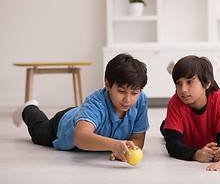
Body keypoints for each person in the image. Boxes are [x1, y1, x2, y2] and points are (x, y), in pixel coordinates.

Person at [12, 53, 149, 163]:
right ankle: (28, 107)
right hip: (64, 124)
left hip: (84, 115)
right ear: (107, 84)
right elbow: (80, 137)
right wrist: (114, 145)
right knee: (38, 131)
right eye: (121, 91)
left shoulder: (140, 100)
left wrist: (126, 151)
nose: (128, 99)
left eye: (134, 93)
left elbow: (137, 138)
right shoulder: (96, 104)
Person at [160, 55, 220, 162]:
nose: (183, 90)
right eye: (179, 83)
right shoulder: (174, 102)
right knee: (165, 129)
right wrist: (195, 154)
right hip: (185, 133)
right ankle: (165, 123)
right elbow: (173, 144)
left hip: (203, 132)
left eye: (190, 82)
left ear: (207, 83)